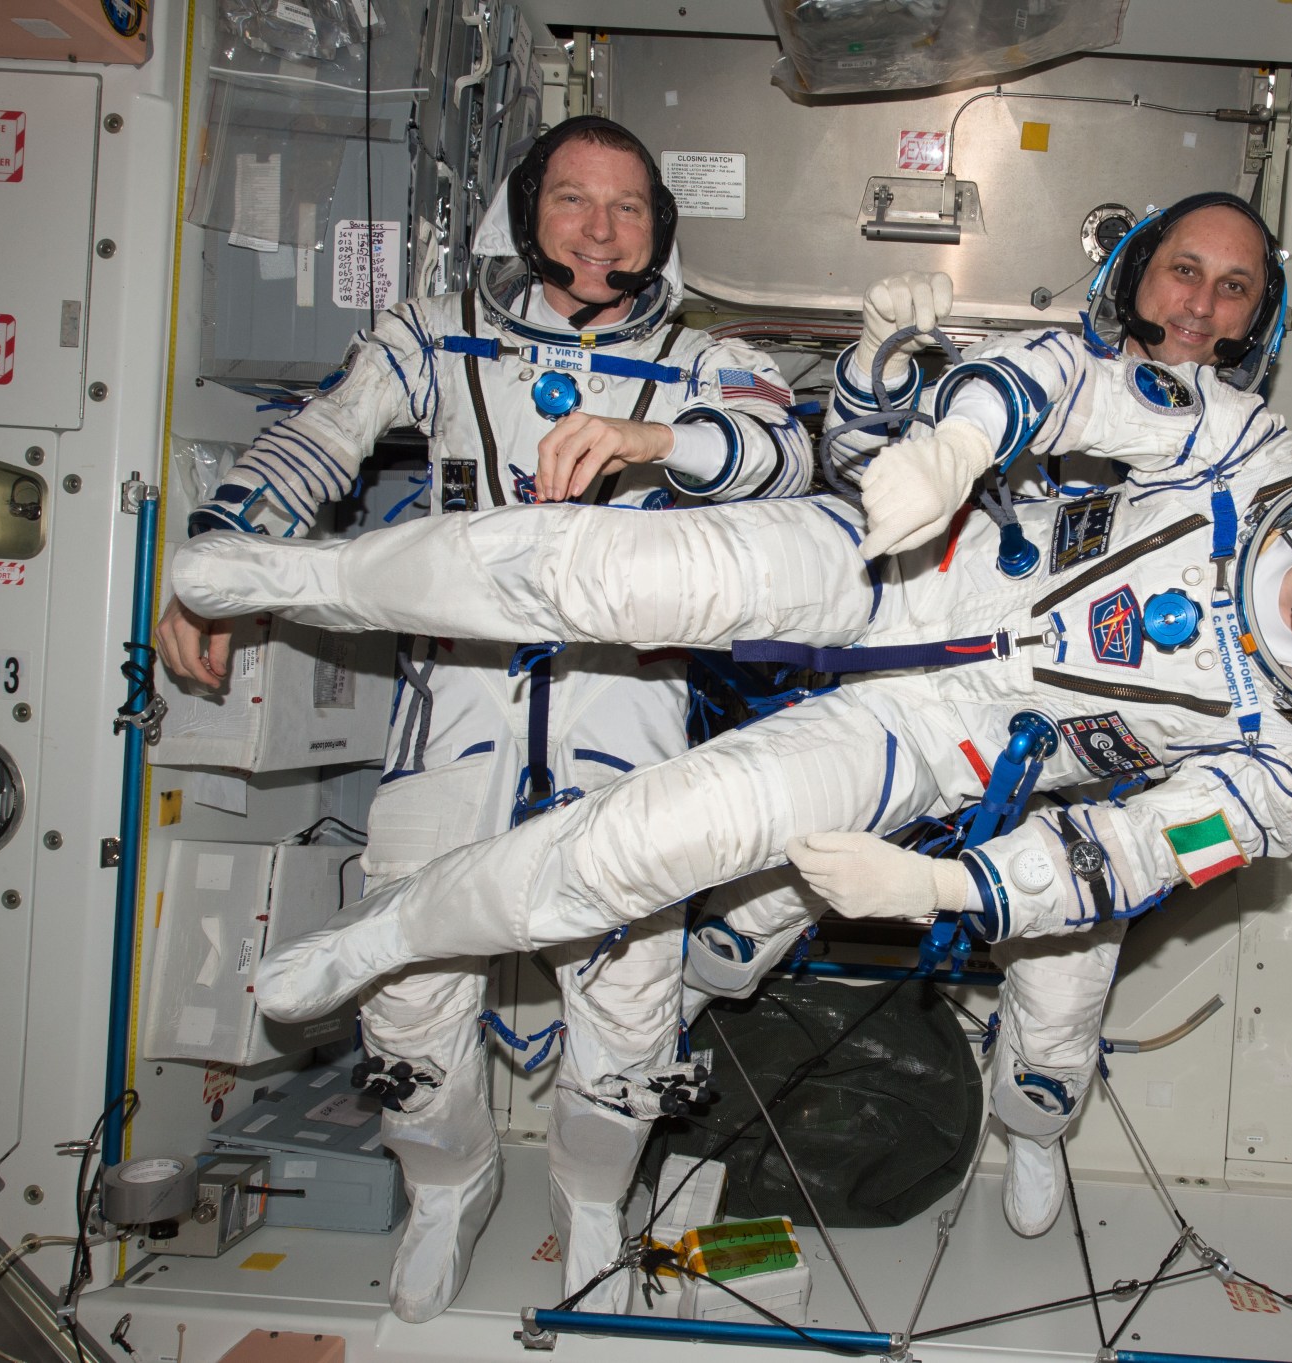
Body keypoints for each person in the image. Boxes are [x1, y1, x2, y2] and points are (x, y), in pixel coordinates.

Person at [169, 242, 1292, 1276]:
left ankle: (384, 940)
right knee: (601, 568)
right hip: (902, 559)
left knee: (652, 846)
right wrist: (949, 448)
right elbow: (1076, 375)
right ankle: (298, 573)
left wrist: (947, 894)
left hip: (935, 751)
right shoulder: (1245, 448)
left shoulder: (1285, 767)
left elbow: (1124, 853)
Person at [690, 194, 1292, 1238]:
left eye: (1234, 290)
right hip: (920, 694)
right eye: (1184, 271)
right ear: (1133, 272)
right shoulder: (1036, 379)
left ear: (1260, 320)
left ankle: (1032, 1125)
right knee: (750, 910)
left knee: (1057, 1026)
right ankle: (681, 1016)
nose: (1201, 306)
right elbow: (863, 471)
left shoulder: (1254, 469)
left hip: (1084, 785)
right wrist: (878, 365)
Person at [153, 117, 812, 1321]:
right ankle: (450, 1185)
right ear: (526, 214)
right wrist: (214, 560)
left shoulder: (703, 357)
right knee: (406, 1000)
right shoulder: (432, 335)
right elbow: (315, 442)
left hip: (625, 736)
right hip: (455, 723)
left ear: (659, 226)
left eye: (626, 206)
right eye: (572, 200)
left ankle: (590, 1196)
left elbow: (782, 456)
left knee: (625, 1023)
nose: (601, 229)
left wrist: (651, 438)